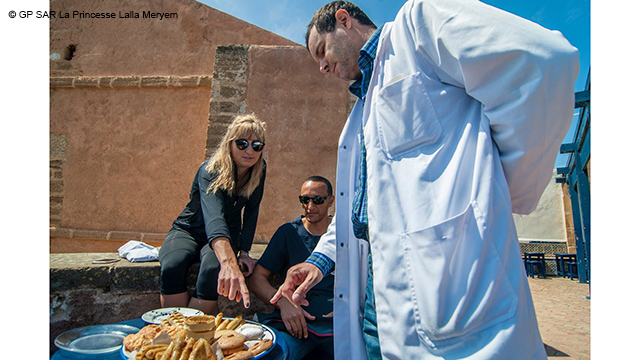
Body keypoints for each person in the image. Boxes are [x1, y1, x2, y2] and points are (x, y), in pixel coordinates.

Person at [271, 1, 579, 359]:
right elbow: (365, 203)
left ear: (344, 20)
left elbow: (542, 64)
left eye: (321, 51)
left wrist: (507, 189)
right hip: (375, 298)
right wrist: (320, 261)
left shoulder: (418, 28)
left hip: (451, 284)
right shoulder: (361, 111)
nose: (322, 67)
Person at [159, 113, 267, 314]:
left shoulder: (259, 170)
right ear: (229, 144)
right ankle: (175, 328)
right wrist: (229, 262)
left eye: (257, 145)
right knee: (173, 265)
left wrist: (244, 252)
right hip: (190, 229)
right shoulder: (210, 170)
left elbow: (252, 211)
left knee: (211, 269)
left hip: (228, 232)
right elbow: (214, 217)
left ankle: (193, 331)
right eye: (242, 143)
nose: (250, 150)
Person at [249, 176, 335, 360]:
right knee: (271, 354)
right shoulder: (288, 232)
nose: (310, 206)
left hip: (336, 328)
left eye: (318, 200)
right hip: (293, 326)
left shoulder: (345, 235)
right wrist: (282, 302)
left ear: (331, 201)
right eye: (304, 200)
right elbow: (257, 278)